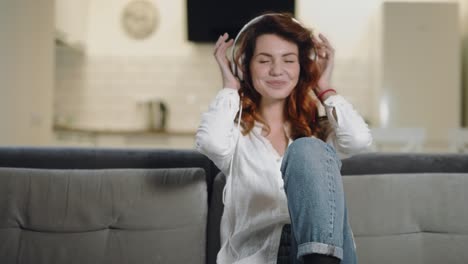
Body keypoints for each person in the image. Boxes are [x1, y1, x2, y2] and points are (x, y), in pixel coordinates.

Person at [196, 12, 372, 264]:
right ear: (245, 68)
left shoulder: (319, 134)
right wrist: (230, 87)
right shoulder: (234, 135)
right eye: (264, 60)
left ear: (301, 68)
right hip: (261, 256)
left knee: (307, 149)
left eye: (288, 60)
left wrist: (324, 86)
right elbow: (209, 142)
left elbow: (358, 140)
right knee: (307, 149)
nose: (277, 70)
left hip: (326, 253)